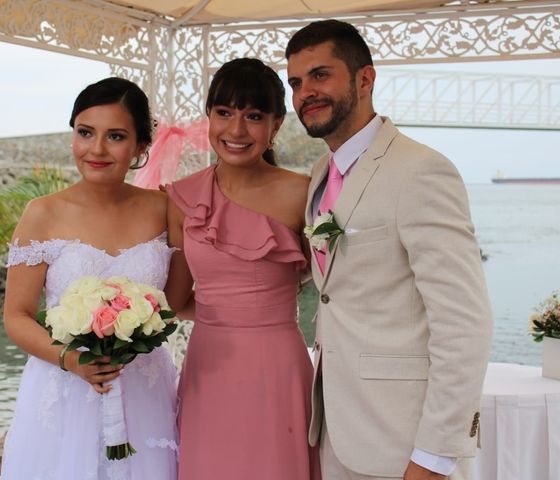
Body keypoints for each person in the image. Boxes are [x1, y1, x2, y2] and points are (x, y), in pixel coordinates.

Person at [286, 20, 493, 480]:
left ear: (365, 79)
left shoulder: (421, 171)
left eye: (321, 75)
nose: (305, 93)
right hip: (335, 433)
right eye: (296, 83)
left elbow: (464, 322)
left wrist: (435, 457)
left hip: (404, 446)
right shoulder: (322, 172)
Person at [1, 77, 178, 480]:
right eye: (85, 133)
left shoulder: (165, 209)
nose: (96, 149)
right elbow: (17, 315)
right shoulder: (42, 213)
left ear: (140, 148)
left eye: (115, 136)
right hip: (63, 391)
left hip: (143, 392)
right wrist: (73, 360)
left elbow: (178, 302)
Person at [165, 58, 320, 480]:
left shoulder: (302, 193)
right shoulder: (182, 198)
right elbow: (176, 300)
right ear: (209, 117)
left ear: (277, 124)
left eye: (253, 116)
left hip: (278, 366)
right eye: (224, 113)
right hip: (208, 367)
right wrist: (227, 315)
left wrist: (261, 312)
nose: (235, 131)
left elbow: (324, 277)